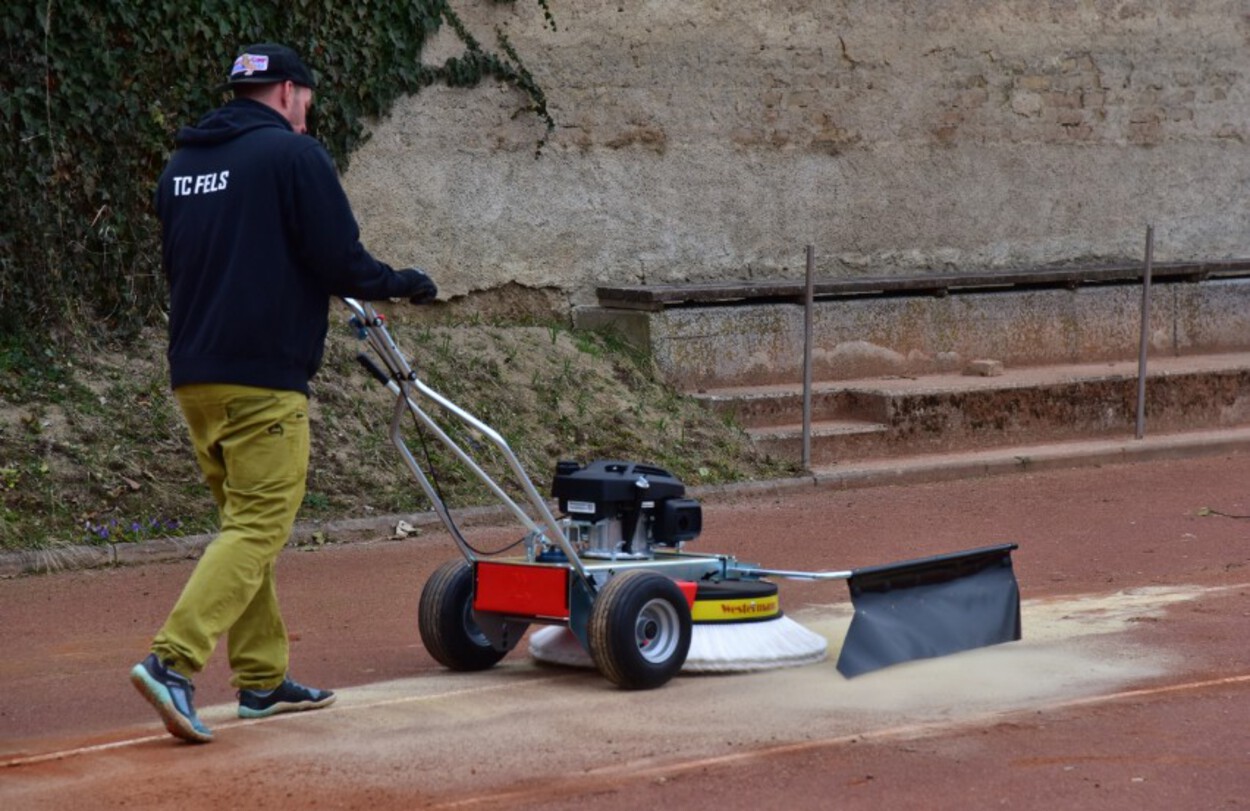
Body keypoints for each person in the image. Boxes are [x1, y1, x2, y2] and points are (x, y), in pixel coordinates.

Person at [131, 43, 438, 744]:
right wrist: (401, 281)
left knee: (245, 526)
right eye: (307, 103)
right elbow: (336, 257)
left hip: (195, 375)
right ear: (289, 93)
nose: (307, 116)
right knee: (258, 526)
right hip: (262, 377)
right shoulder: (295, 157)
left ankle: (263, 679)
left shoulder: (181, 168)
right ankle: (171, 660)